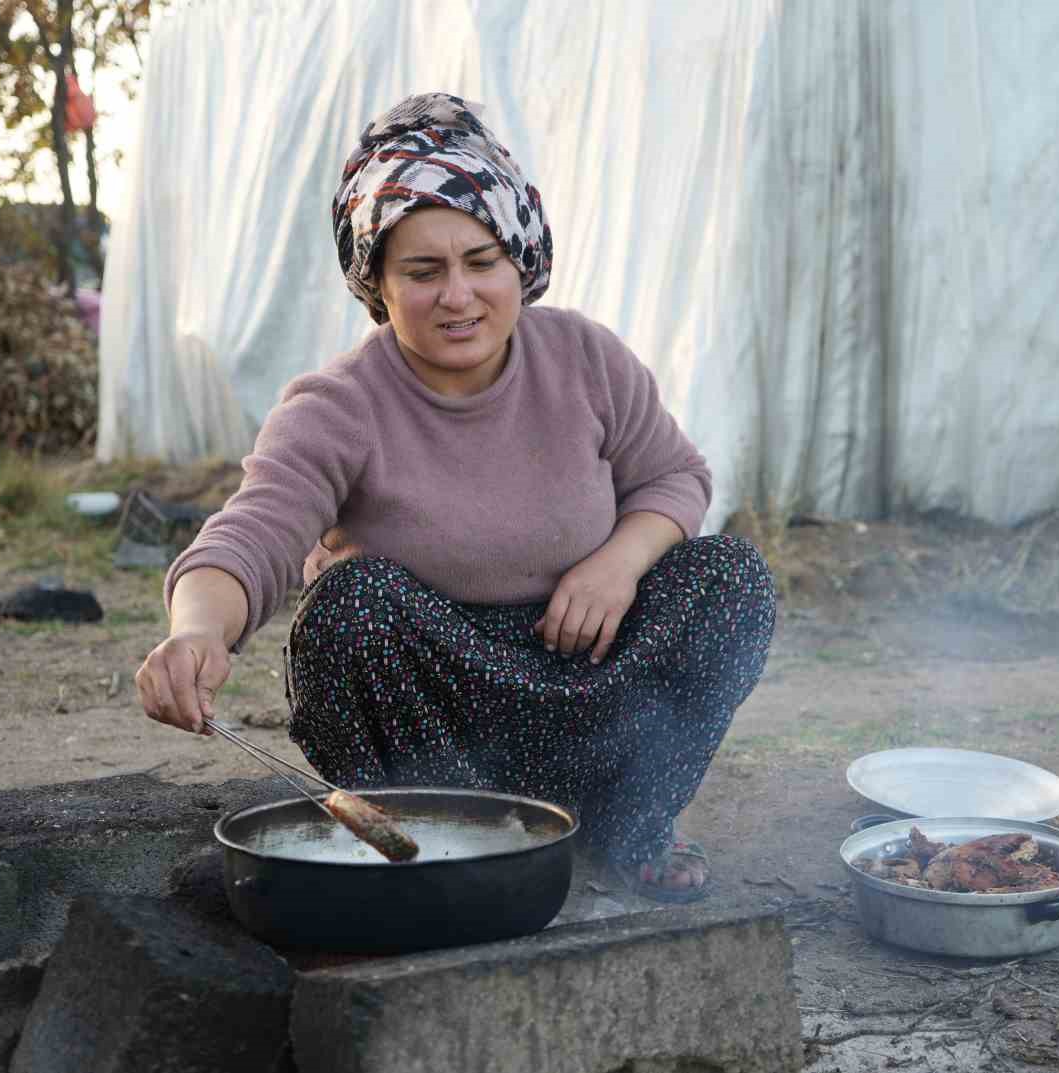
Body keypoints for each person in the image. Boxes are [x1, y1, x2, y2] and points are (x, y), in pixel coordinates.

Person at [135, 92, 775, 902]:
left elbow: (675, 477)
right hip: (438, 717)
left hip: (588, 681)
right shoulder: (339, 404)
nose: (459, 296)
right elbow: (250, 535)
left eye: (481, 261)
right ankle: (440, 842)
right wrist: (195, 633)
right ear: (378, 283)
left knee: (728, 575)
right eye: (422, 270)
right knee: (350, 605)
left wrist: (619, 560)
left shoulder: (585, 357)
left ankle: (629, 825)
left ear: (521, 261)